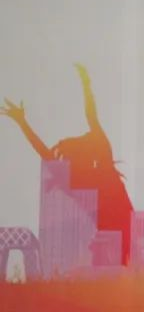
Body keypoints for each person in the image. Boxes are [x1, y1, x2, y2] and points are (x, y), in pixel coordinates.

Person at [2, 65, 134, 264]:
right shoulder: (99, 171)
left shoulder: (76, 181)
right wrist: (86, 84)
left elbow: (45, 152)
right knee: (121, 265)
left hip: (116, 234)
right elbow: (91, 118)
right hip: (119, 233)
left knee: (118, 265)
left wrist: (22, 122)